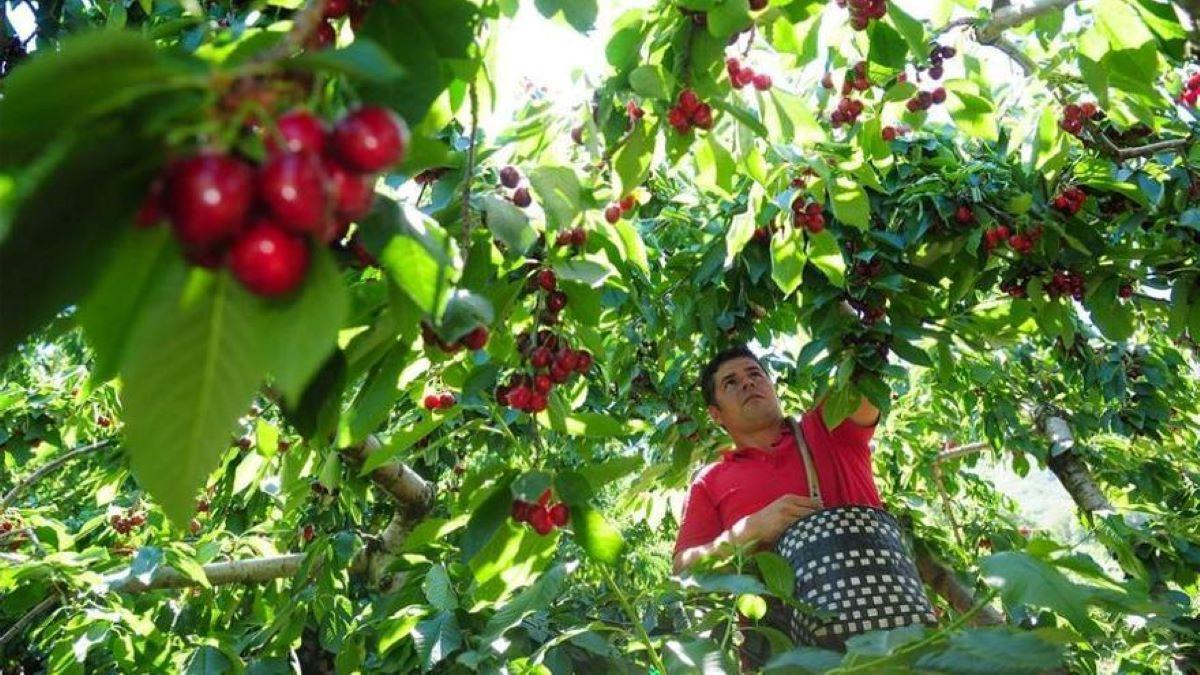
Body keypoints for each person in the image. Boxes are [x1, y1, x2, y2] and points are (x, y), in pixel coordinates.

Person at [672, 345, 883, 668]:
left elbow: (868, 377)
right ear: (716, 414)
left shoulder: (828, 424)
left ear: (771, 385)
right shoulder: (710, 480)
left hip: (882, 623)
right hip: (781, 650)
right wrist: (749, 531)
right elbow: (683, 569)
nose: (747, 383)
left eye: (755, 374)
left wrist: (851, 307)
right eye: (730, 382)